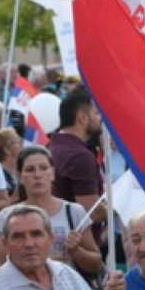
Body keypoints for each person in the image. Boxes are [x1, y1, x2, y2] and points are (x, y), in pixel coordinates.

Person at [0, 146, 102, 276]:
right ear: (20, 176)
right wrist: (40, 264)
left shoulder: (73, 212)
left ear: (52, 173)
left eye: (43, 168)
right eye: (30, 170)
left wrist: (76, 251)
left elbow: (96, 264)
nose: (38, 175)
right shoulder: (7, 217)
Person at [47, 87, 106, 234]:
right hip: (77, 244)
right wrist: (122, 207)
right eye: (96, 113)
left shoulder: (52, 145)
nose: (100, 118)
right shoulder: (79, 156)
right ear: (82, 118)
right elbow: (93, 212)